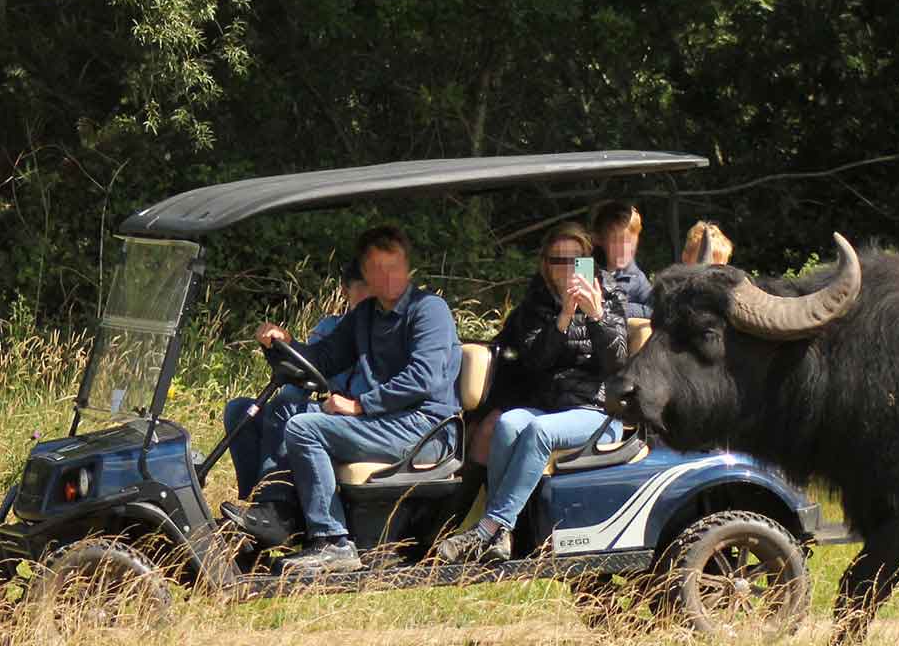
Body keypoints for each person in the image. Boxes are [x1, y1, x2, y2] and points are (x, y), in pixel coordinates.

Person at [238, 226, 462, 568]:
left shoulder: (429, 310)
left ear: (407, 269)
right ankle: (274, 513)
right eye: (378, 269)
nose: (388, 277)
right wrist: (281, 344)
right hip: (386, 423)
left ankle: (333, 541)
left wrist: (359, 405)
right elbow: (322, 359)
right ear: (366, 275)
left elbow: (423, 378)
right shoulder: (366, 315)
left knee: (304, 428)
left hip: (425, 429)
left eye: (395, 267)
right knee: (261, 411)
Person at [437, 223, 628, 563]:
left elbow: (618, 363)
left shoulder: (608, 297)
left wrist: (595, 315)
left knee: (539, 431)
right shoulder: (535, 306)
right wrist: (565, 316)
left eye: (576, 260)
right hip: (551, 407)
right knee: (509, 423)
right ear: (546, 265)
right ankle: (503, 538)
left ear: (588, 262)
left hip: (597, 411)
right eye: (558, 261)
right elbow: (535, 362)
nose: (568, 269)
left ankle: (489, 528)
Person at [222, 259, 365, 501]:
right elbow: (307, 369)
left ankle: (273, 503)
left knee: (286, 407)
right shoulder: (329, 328)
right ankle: (251, 501)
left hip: (356, 414)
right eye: (361, 291)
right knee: (240, 410)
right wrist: (278, 347)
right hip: (326, 409)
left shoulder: (383, 335)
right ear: (345, 291)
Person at [590, 200, 653, 319]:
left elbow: (655, 311)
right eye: (615, 241)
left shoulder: (636, 278)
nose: (623, 248)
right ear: (599, 240)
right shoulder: (586, 267)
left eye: (629, 241)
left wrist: (617, 308)